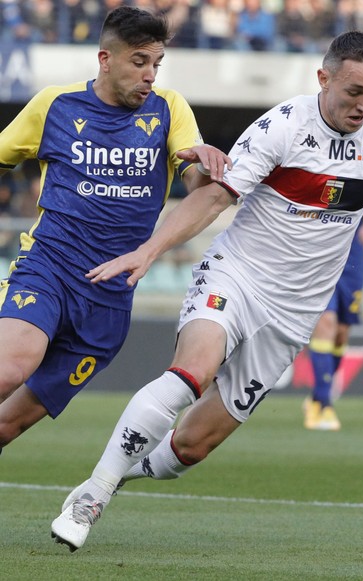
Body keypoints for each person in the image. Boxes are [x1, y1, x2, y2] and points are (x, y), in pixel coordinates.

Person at [50, 30, 363, 551]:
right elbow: (216, 197)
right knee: (190, 373)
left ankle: (112, 474)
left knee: (192, 448)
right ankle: (95, 496)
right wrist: (150, 250)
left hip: (293, 316)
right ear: (324, 77)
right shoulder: (282, 128)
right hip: (237, 277)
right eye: (353, 91)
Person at [0, 6, 230, 454]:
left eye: (156, 64)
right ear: (106, 59)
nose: (150, 75)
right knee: (10, 367)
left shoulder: (170, 110)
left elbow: (196, 185)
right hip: (48, 270)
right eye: (139, 62)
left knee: (6, 426)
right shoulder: (55, 105)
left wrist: (205, 167)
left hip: (108, 305)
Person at [303, 202, 363, 431]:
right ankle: (323, 403)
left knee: (341, 334)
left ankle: (319, 396)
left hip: (353, 260)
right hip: (318, 255)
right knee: (326, 323)